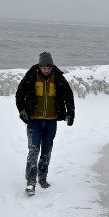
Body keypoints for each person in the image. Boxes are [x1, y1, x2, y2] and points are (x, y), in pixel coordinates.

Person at [15, 52, 74, 196]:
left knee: (46, 151)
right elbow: (19, 94)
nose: (47, 70)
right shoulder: (31, 76)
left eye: (49, 68)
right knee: (33, 151)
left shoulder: (58, 78)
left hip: (51, 122)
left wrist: (70, 112)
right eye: (44, 68)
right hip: (34, 121)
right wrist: (22, 110)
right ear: (40, 66)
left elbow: (68, 95)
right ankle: (30, 183)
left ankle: (42, 177)